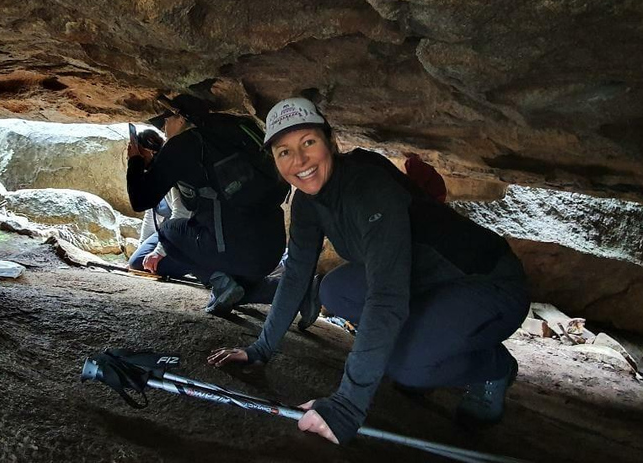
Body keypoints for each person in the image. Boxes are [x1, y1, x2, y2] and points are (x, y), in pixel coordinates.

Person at [208, 97, 530, 445]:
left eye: (308, 143)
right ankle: (426, 341)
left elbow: (386, 297)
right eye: (284, 151)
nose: (299, 160)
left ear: (332, 143)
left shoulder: (368, 186)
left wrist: (348, 405)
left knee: (406, 366)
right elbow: (296, 274)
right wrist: (260, 349)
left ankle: (494, 366)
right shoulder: (307, 203)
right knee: (334, 289)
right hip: (425, 280)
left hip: (488, 284)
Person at [126, 94, 290, 315]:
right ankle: (292, 291)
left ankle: (220, 283)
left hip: (232, 249)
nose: (165, 128)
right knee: (239, 290)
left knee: (169, 231)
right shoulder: (237, 132)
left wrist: (135, 159)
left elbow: (140, 200)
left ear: (181, 118)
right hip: (271, 249)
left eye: (167, 120)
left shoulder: (183, 146)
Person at [127, 130, 193, 278]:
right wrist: (142, 248)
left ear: (150, 153)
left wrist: (158, 253)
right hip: (169, 231)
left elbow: (182, 214)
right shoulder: (150, 175)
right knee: (137, 262)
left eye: (139, 151)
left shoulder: (170, 175)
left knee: (147, 264)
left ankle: (200, 265)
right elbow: (151, 215)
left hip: (187, 230)